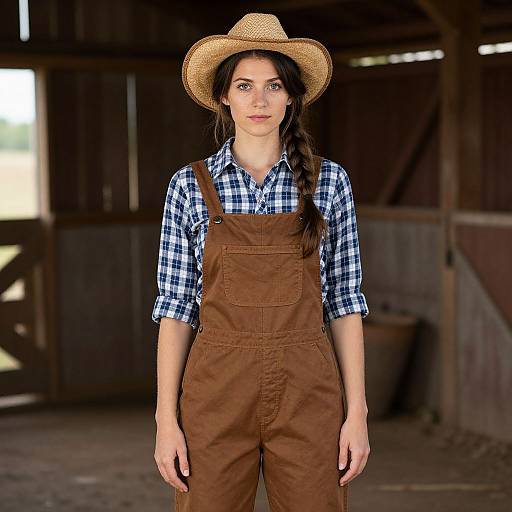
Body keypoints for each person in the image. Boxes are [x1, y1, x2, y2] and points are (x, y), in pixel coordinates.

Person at [152, 12, 370, 512]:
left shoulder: (329, 183)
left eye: (273, 86)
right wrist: (167, 419)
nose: (259, 100)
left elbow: (345, 302)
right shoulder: (190, 187)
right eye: (245, 86)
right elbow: (175, 309)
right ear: (224, 95)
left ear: (291, 96)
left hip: (308, 392)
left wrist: (354, 411)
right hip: (215, 393)